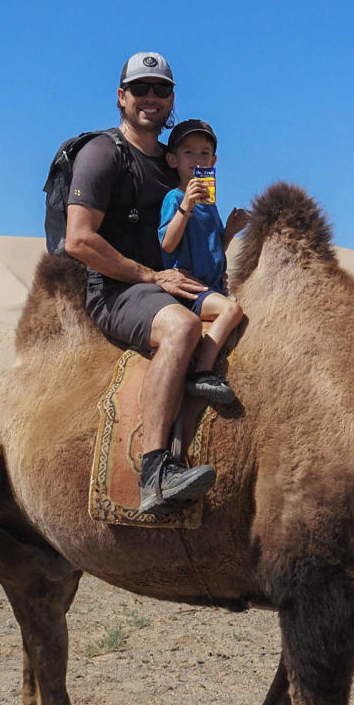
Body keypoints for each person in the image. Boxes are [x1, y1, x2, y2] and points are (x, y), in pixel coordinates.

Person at [63, 52, 217, 515]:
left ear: (172, 99)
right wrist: (151, 275)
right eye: (141, 89)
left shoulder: (174, 164)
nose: (151, 98)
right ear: (121, 96)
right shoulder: (103, 154)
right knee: (181, 329)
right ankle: (157, 472)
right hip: (117, 290)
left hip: (171, 284)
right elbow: (79, 240)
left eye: (161, 90)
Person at [158, 119, 248, 406]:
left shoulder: (210, 204)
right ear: (172, 159)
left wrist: (230, 232)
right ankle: (202, 372)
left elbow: (213, 250)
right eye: (189, 152)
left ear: (214, 160)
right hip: (189, 290)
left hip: (211, 288)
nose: (197, 159)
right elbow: (168, 244)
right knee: (232, 311)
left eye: (204, 153)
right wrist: (186, 206)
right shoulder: (174, 198)